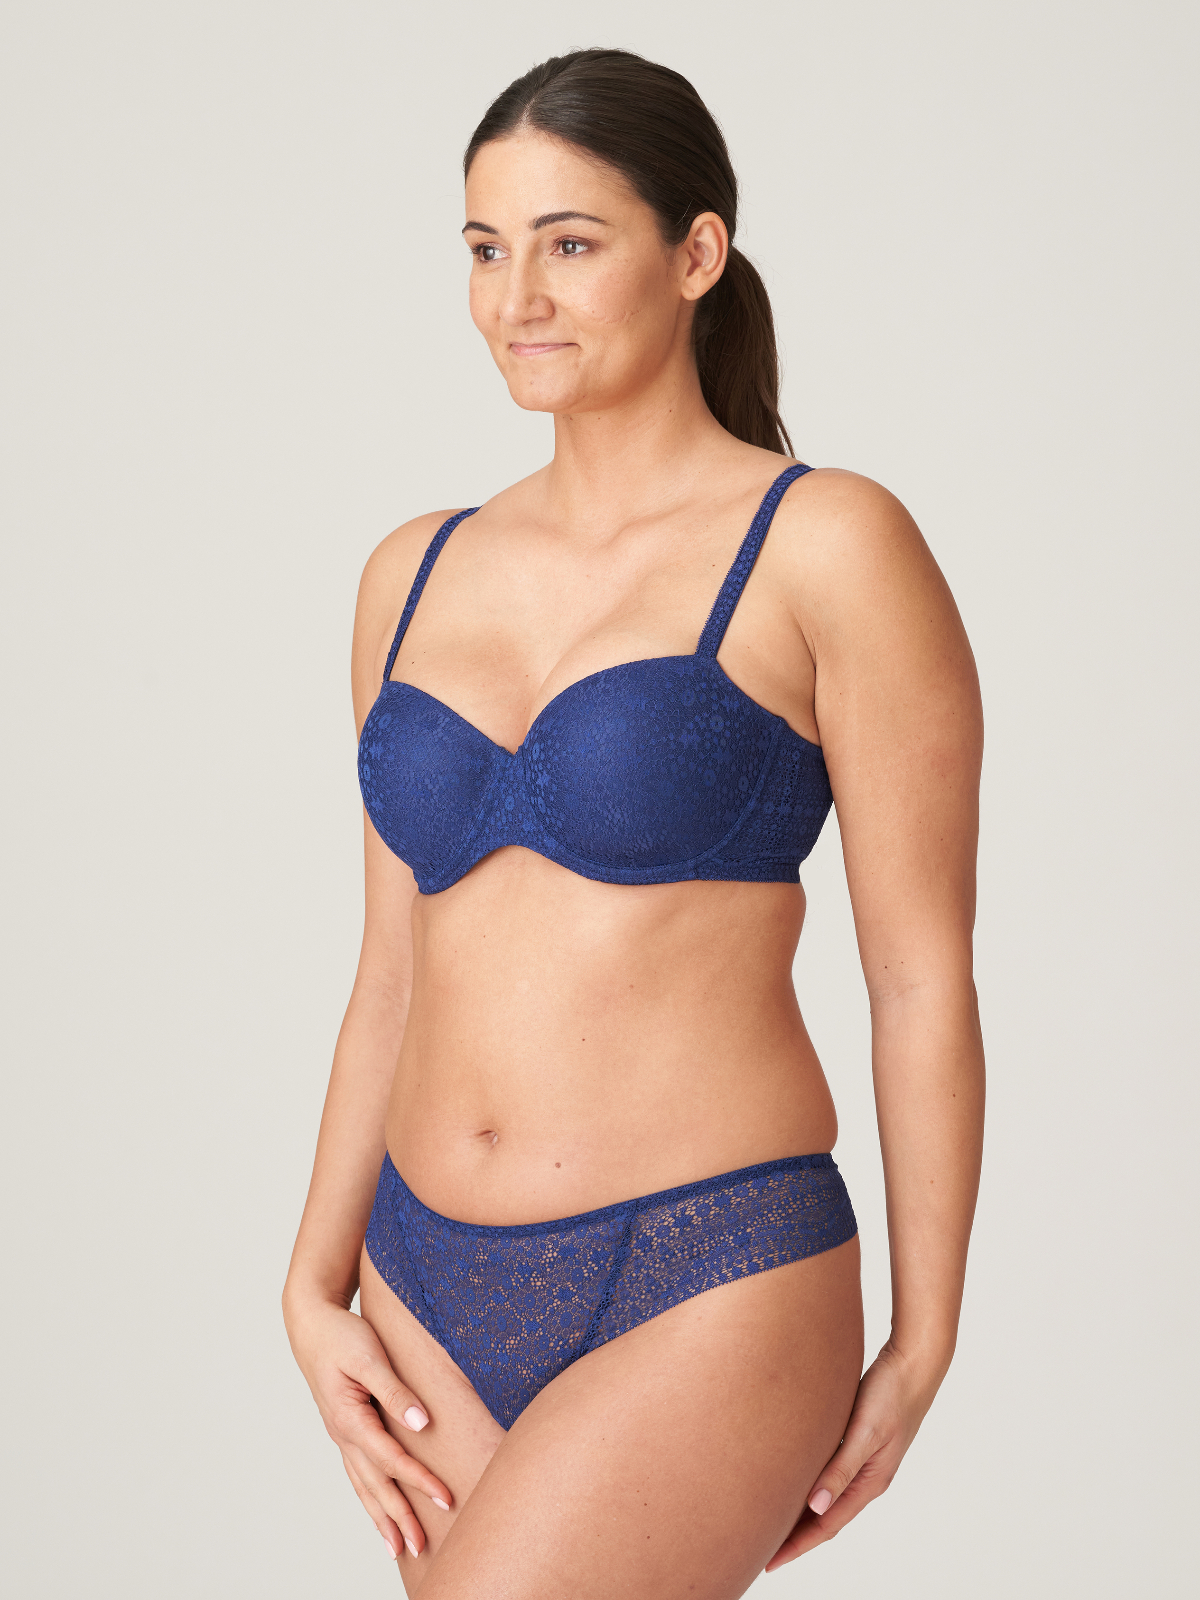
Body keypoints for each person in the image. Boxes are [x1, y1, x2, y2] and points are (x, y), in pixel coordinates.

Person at [283, 47, 984, 1599]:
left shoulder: (826, 543)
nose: (517, 297)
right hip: (419, 1278)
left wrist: (925, 1334)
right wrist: (309, 1284)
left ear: (696, 253)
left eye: (570, 243)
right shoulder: (409, 573)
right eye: (486, 249)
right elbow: (392, 969)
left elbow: (920, 975)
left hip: (704, 1268)